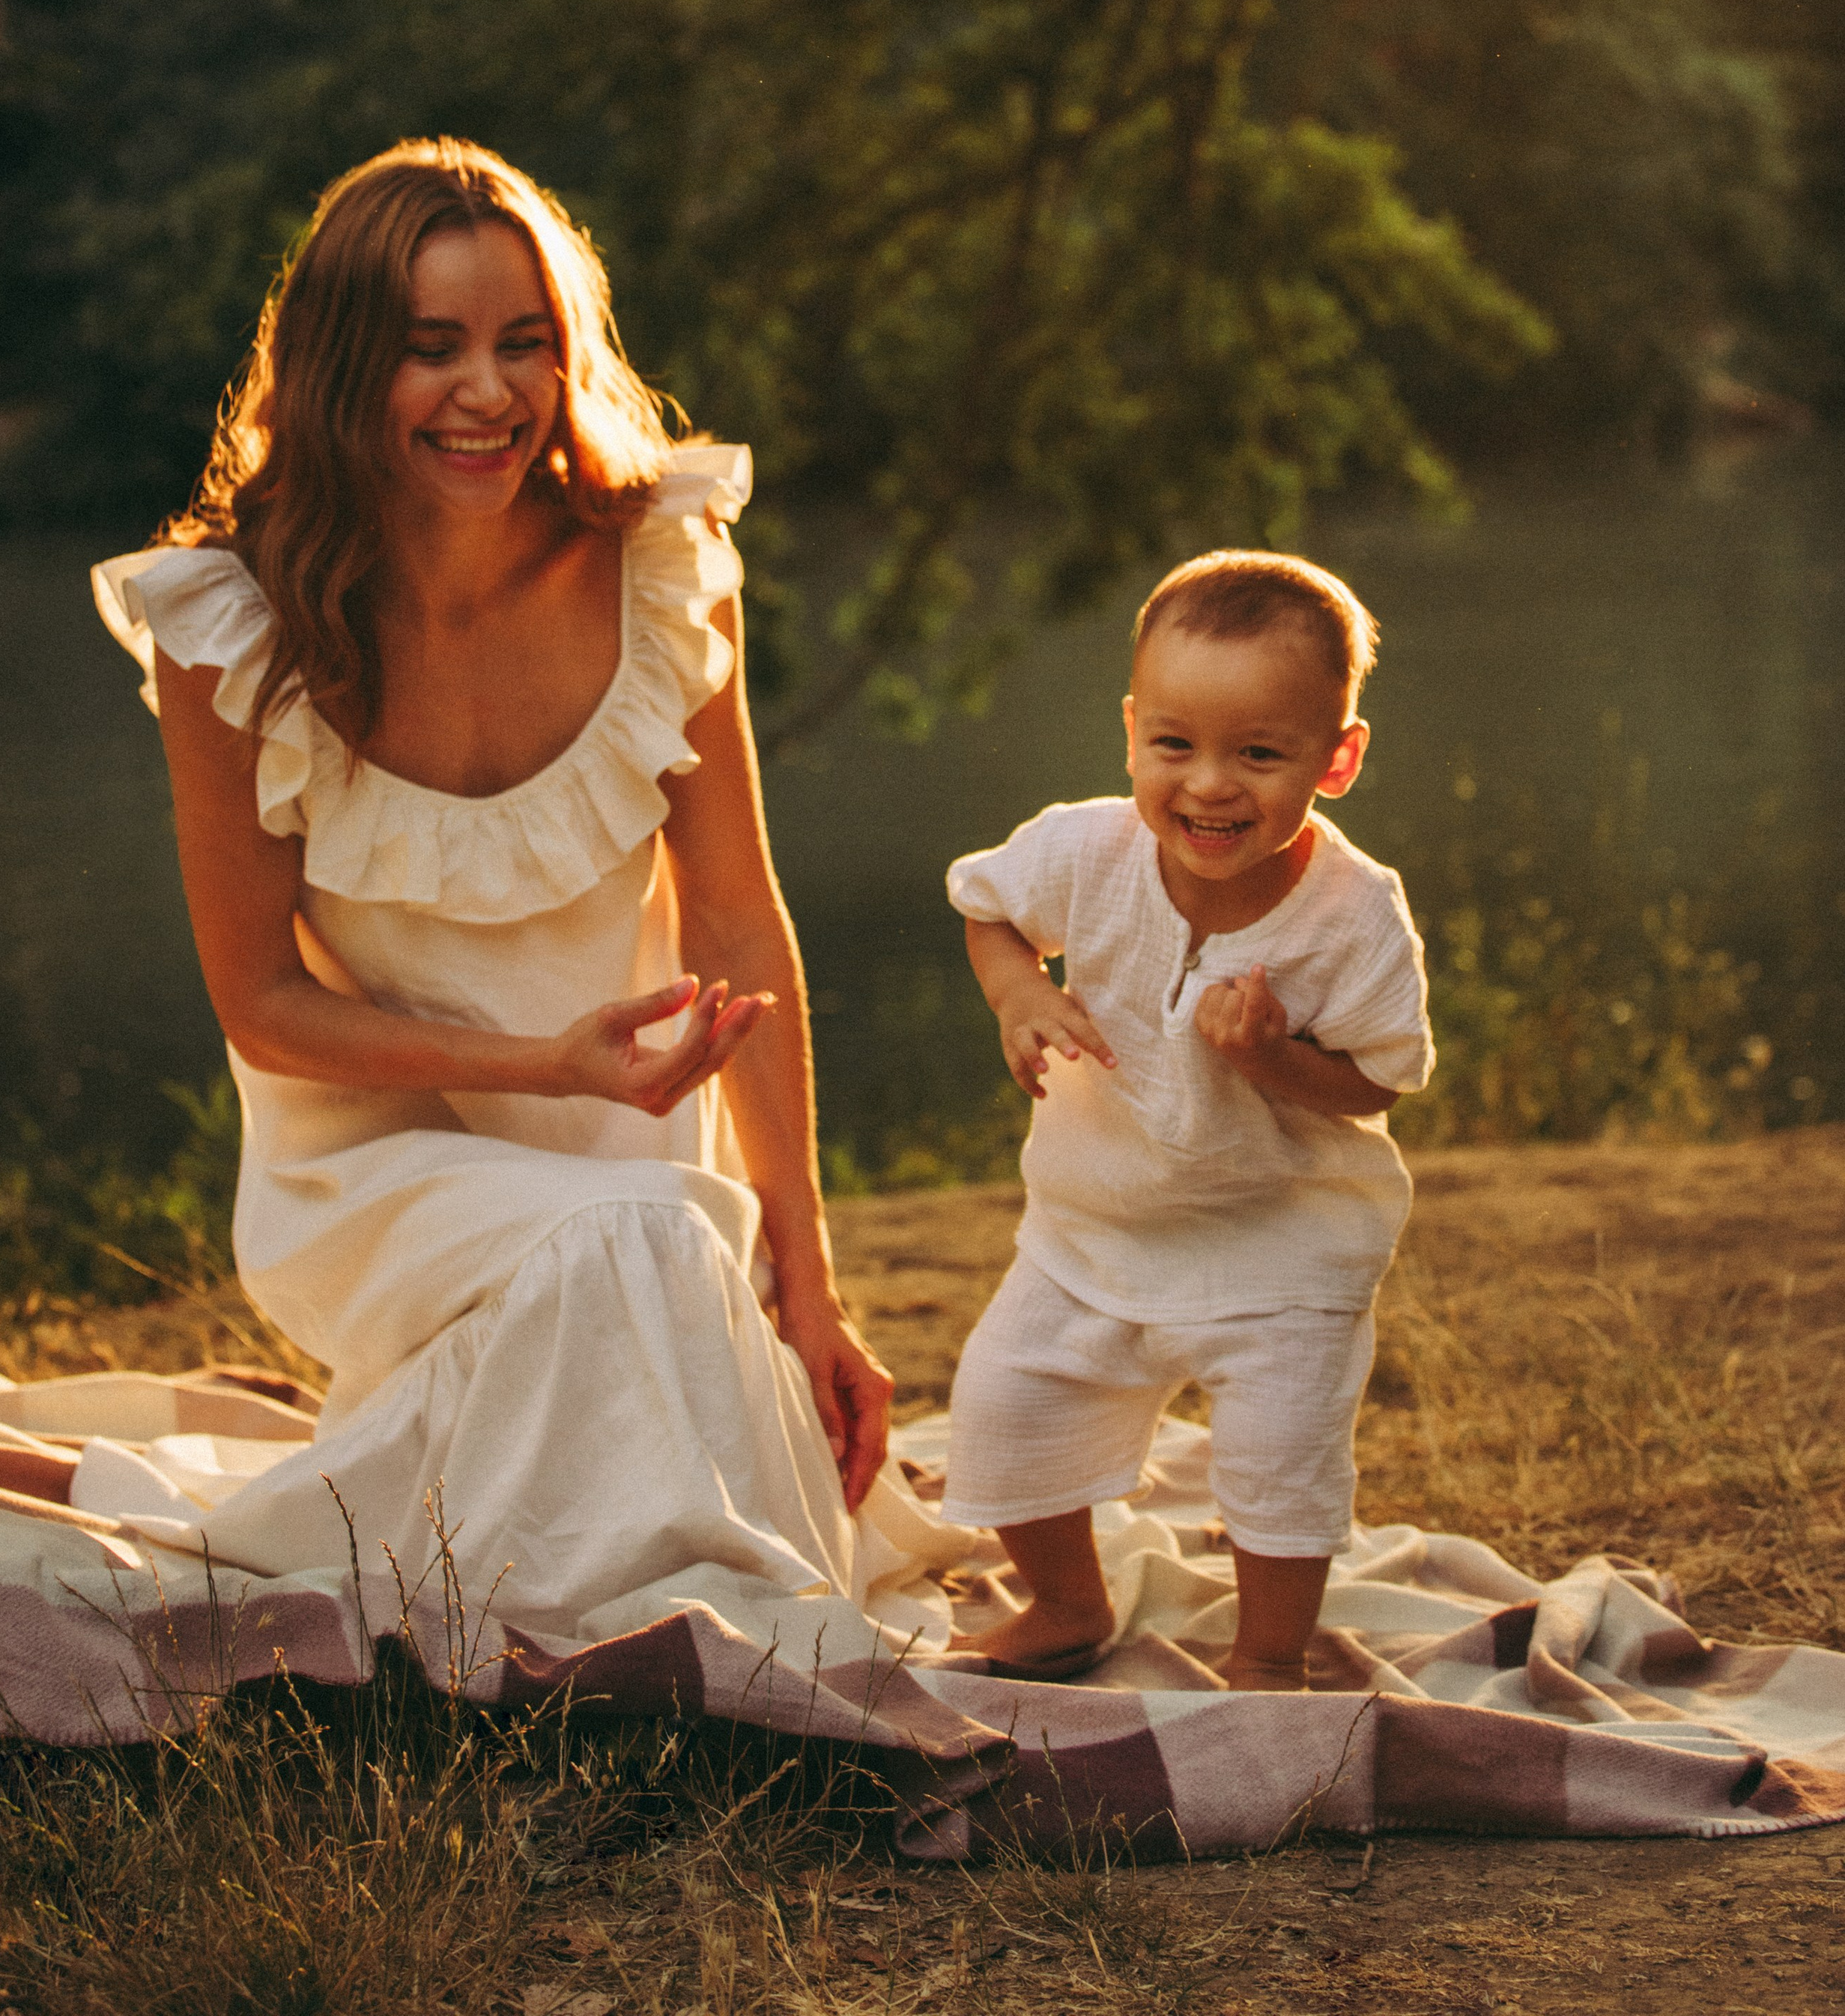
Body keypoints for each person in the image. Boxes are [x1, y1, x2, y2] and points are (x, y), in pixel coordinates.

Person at [92, 136, 947, 1662]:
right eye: (431, 351)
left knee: (649, 1251)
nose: (486, 393)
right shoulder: (226, 625)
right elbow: (262, 1011)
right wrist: (547, 1064)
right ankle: (715, 1657)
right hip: (373, 1175)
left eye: (523, 343)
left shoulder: (661, 565)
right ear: (345, 367)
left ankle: (614, 1636)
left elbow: (741, 927)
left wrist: (804, 1281)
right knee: (633, 1242)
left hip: (632, 1164)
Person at [939, 551, 1434, 1687]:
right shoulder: (1085, 848)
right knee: (1007, 1401)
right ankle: (1066, 1604)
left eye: (1260, 754)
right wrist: (1021, 995)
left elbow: (1380, 1083)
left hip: (1283, 1237)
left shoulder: (1354, 917)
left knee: (1279, 1459)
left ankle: (1267, 1656)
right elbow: (989, 910)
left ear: (1338, 758)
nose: (1210, 784)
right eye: (1176, 745)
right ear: (1131, 733)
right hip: (1096, 1221)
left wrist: (1276, 1059)